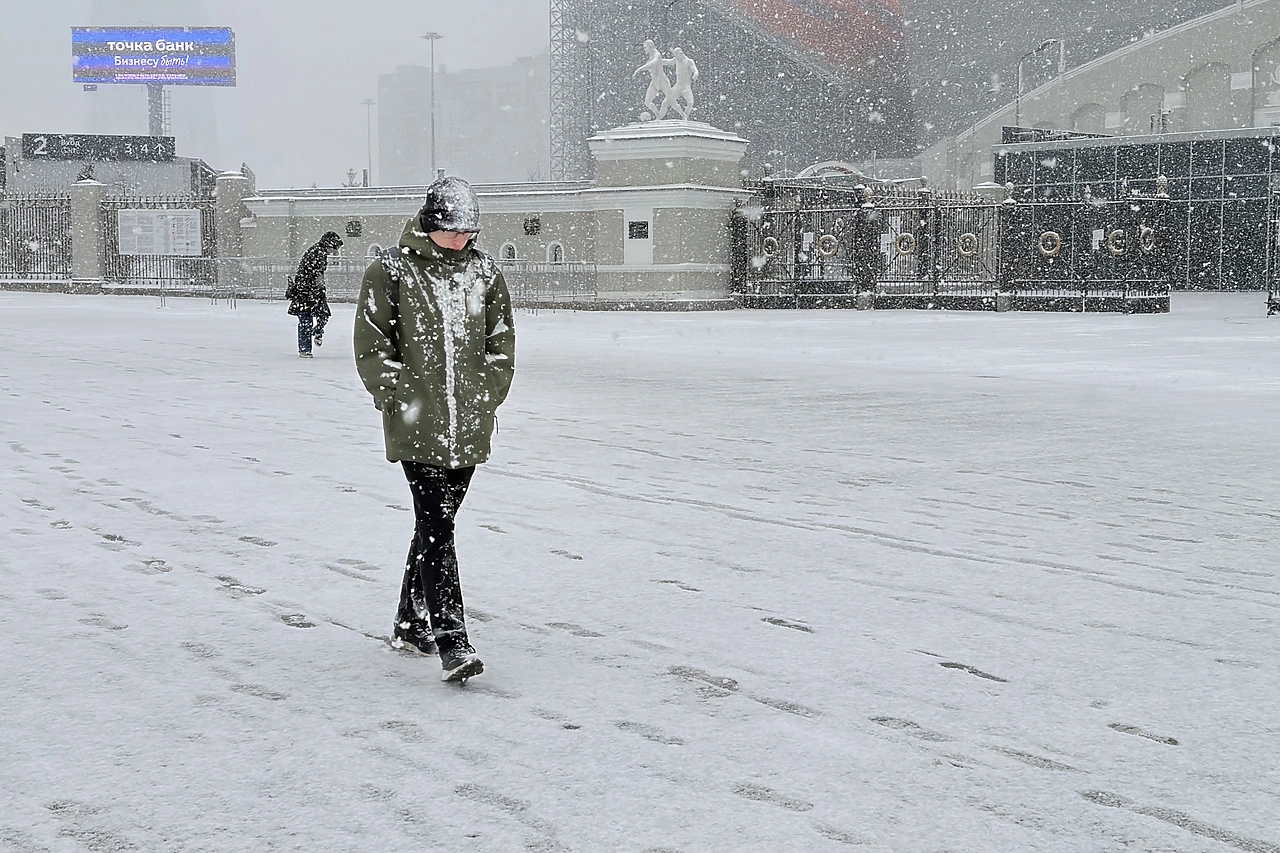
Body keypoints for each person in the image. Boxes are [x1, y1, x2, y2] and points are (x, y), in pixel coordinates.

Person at [353, 176, 516, 682]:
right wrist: (397, 395)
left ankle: (409, 621)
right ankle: (453, 641)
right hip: (416, 423)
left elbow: (500, 342)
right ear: (429, 224)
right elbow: (372, 343)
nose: (461, 240)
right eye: (453, 230)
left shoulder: (485, 272)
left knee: (434, 525)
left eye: (469, 232)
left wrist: (488, 393)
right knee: (438, 525)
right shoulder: (390, 270)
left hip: (469, 424)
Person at [287, 230, 342, 357]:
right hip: (305, 292)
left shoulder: (318, 252)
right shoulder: (317, 253)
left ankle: (315, 335)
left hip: (310, 291)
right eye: (334, 248)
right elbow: (314, 275)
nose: (333, 252)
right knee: (307, 319)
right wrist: (318, 291)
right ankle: (305, 348)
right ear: (329, 244)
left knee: (320, 315)